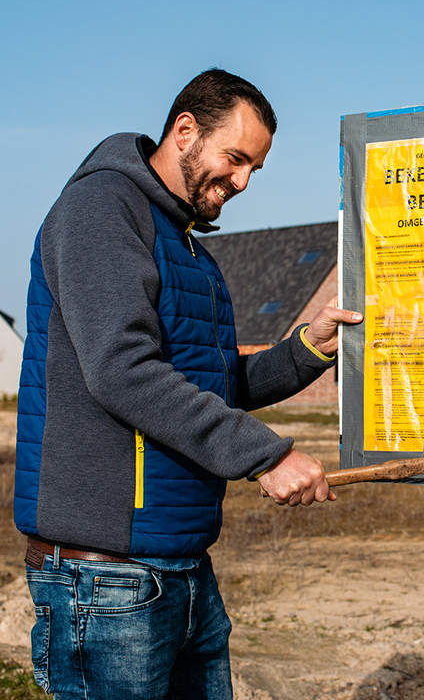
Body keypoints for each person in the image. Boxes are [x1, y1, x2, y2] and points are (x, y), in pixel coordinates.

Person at [16, 68, 363, 699]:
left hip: (179, 564)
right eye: (235, 159)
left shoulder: (187, 245)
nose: (242, 182)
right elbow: (124, 371)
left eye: (255, 168)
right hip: (108, 577)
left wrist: (307, 349)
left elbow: (212, 380)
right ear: (184, 132)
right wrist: (268, 454)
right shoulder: (101, 208)